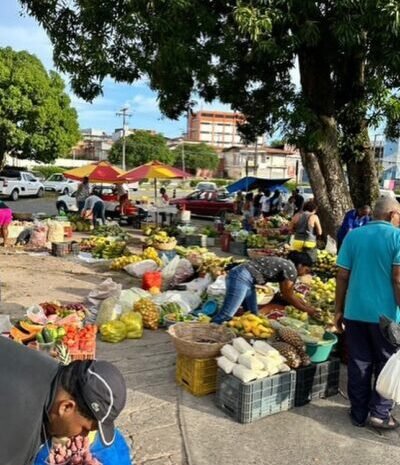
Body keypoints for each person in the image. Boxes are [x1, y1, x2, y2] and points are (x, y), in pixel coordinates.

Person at [0, 336, 126, 465]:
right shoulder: (16, 435)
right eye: (85, 429)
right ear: (66, 407)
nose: (82, 436)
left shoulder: (46, 369)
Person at [335, 197, 400, 429]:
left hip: (354, 311)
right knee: (387, 363)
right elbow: (398, 278)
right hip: (386, 316)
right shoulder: (397, 237)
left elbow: (342, 275)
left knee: (359, 363)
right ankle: (380, 414)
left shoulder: (353, 236)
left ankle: (358, 413)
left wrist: (338, 309)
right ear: (392, 214)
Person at [212, 251, 318, 324]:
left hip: (245, 279)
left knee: (253, 314)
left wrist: (305, 305)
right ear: (300, 265)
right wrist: (308, 310)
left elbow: (287, 293)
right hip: (241, 278)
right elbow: (287, 296)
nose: (304, 274)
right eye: (306, 270)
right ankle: (205, 333)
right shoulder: (291, 269)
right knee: (226, 315)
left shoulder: (287, 265)